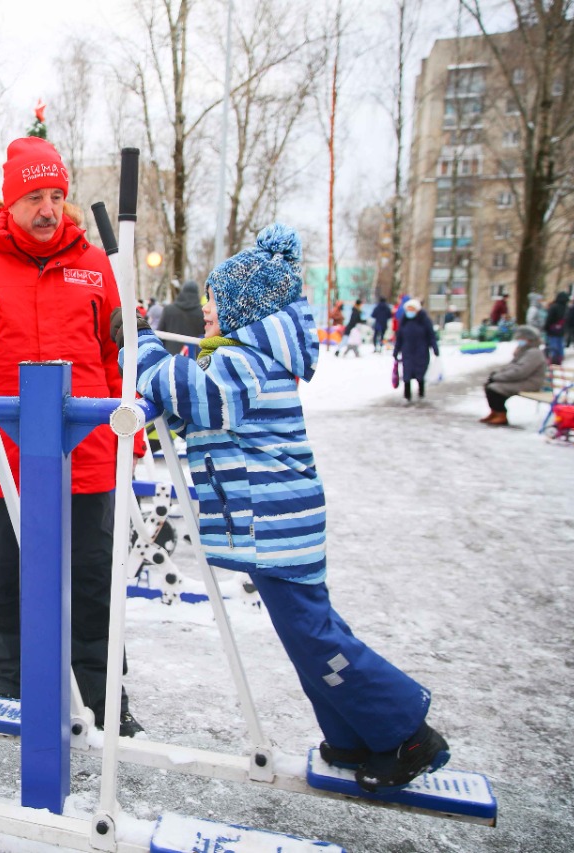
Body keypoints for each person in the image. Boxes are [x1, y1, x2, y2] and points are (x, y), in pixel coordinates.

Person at [119, 223, 450, 794]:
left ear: (243, 309)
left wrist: (144, 346)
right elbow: (203, 415)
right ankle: (353, 734)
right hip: (273, 526)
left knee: (314, 637)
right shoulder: (244, 357)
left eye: (214, 302)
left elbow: (205, 398)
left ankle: (408, 734)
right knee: (309, 636)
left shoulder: (248, 361)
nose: (206, 312)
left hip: (279, 527)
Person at [0, 136, 143, 737]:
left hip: (88, 452)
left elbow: (120, 358)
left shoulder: (96, 264)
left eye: (56, 195)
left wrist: (132, 440)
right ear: (10, 201)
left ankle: (103, 701)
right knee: (9, 581)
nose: (48, 209)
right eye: (34, 198)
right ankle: (13, 694)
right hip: (6, 455)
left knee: (93, 583)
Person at [481, 326, 547, 426]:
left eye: (522, 338)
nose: (519, 340)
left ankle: (501, 415)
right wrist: (497, 374)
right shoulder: (524, 351)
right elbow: (512, 366)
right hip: (522, 380)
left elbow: (520, 372)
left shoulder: (534, 353)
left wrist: (498, 377)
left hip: (530, 383)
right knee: (489, 384)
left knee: (494, 388)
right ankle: (494, 412)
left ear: (530, 339)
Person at [394, 298, 439, 403]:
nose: (409, 311)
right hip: (407, 352)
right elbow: (399, 337)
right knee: (407, 374)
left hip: (421, 352)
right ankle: (407, 396)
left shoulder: (424, 320)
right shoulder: (404, 321)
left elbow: (431, 336)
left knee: (420, 374)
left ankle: (421, 394)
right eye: (408, 309)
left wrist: (435, 348)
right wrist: (396, 350)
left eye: (412, 309)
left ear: (417, 310)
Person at [157, 280, 206, 345]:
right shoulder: (203, 312)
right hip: (194, 350)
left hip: (170, 350)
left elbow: (160, 334)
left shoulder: (168, 310)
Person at [543, 291, 569, 365]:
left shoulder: (554, 307)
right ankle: (560, 358)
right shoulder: (566, 308)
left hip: (552, 330)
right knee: (560, 344)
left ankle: (553, 359)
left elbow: (549, 319)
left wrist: (546, 328)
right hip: (561, 329)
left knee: (552, 345)